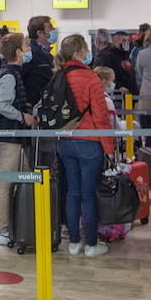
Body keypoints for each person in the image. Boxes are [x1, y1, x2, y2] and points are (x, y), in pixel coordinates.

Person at [53, 34, 115, 257]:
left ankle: (73, 243)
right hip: (89, 141)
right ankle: (91, 244)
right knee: (88, 195)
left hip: (65, 141)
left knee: (72, 192)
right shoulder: (90, 78)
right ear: (80, 53)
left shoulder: (59, 75)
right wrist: (109, 148)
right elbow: (101, 116)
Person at [0, 32, 33, 246]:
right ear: (17, 51)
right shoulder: (9, 75)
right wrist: (22, 116)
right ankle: (3, 230)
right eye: (26, 46)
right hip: (10, 136)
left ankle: (16, 224)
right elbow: (0, 104)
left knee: (21, 179)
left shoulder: (12, 72)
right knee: (6, 183)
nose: (28, 49)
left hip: (16, 137)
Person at [21, 15, 58, 107]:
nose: (54, 30)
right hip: (33, 106)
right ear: (40, 33)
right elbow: (19, 77)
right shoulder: (30, 54)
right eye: (50, 28)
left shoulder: (46, 53)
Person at [94, 29, 137, 96]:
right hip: (118, 95)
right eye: (123, 41)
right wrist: (119, 86)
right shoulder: (108, 56)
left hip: (130, 94)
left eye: (128, 40)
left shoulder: (129, 55)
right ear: (115, 42)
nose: (126, 43)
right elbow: (105, 75)